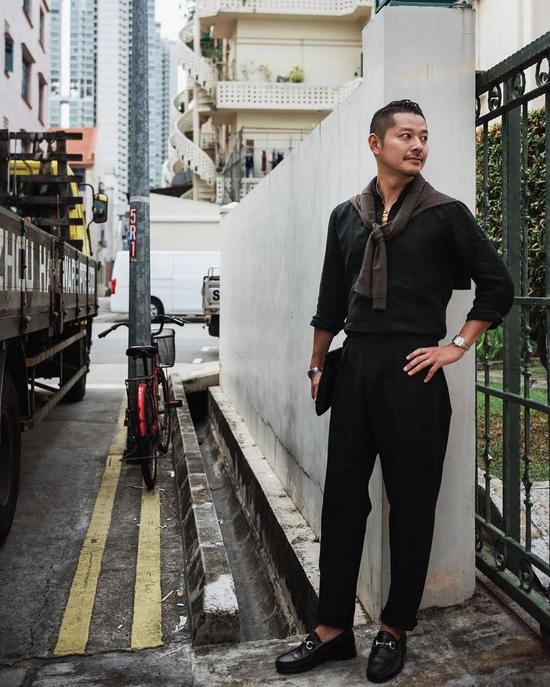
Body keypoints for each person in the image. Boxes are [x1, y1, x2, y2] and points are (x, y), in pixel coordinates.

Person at [275, 100, 514, 683]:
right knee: (343, 500)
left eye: (424, 136)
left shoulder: (446, 215)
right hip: (355, 367)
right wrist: (316, 364)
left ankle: (394, 627)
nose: (418, 145)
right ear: (375, 144)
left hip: (415, 372)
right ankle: (331, 629)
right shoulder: (346, 217)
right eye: (405, 135)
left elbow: (497, 286)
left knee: (410, 505)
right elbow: (331, 301)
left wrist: (455, 345)